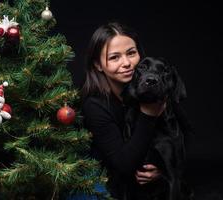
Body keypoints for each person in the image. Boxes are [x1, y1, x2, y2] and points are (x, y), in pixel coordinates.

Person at [81, 22, 193, 199]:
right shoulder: (95, 105)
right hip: (99, 172)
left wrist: (163, 169)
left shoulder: (154, 90)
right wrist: (148, 114)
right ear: (98, 65)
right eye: (114, 57)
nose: (126, 63)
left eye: (131, 53)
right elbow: (124, 164)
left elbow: (184, 135)